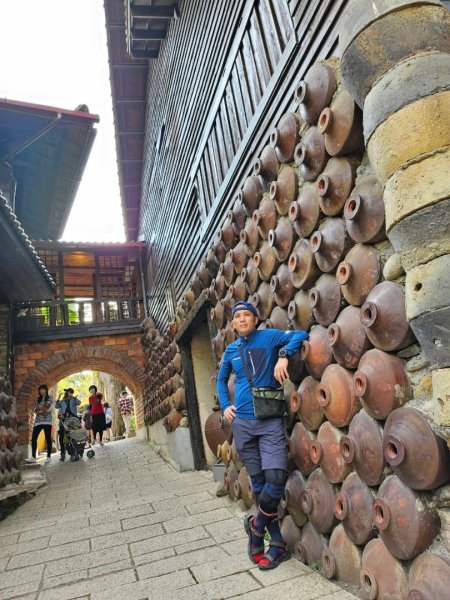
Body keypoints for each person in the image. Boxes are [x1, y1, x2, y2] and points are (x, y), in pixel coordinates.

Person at [216, 301, 309, 570]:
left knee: (276, 477)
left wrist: (283, 355)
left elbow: (300, 334)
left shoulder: (269, 337)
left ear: (255, 320)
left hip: (269, 420)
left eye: (247, 315)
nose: (242, 319)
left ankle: (256, 528)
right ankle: (277, 544)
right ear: (233, 324)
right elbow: (222, 380)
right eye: (237, 316)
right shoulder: (231, 350)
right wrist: (225, 405)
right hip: (242, 424)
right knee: (258, 483)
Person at [25, 384, 54, 464]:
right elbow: (35, 408)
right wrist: (39, 410)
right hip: (38, 421)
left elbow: (51, 407)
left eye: (43, 389)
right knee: (34, 437)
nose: (41, 391)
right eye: (40, 389)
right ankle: (33, 457)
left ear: (46, 390)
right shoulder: (38, 399)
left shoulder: (50, 398)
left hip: (47, 421)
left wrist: (43, 411)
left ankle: (48, 457)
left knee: (48, 438)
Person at [55, 388, 81, 461]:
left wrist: (75, 398)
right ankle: (63, 454)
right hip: (63, 422)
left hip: (73, 421)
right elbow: (56, 406)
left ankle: (74, 452)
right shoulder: (62, 401)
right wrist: (59, 398)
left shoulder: (73, 400)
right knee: (62, 438)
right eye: (69, 392)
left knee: (73, 437)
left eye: (71, 393)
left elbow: (79, 403)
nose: (70, 394)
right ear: (66, 393)